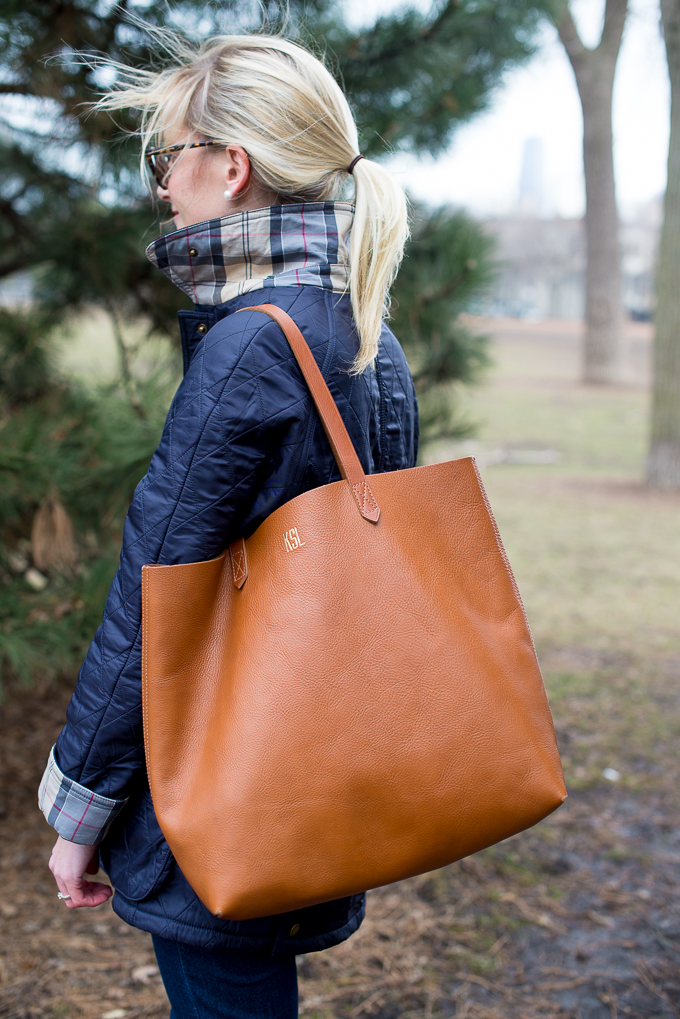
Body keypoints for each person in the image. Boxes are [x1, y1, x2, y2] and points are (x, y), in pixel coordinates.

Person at [39, 31, 418, 1018]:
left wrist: (80, 808)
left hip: (224, 783)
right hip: (323, 761)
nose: (163, 187)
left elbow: (154, 604)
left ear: (230, 165)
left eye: (168, 157)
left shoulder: (249, 346)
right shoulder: (369, 336)